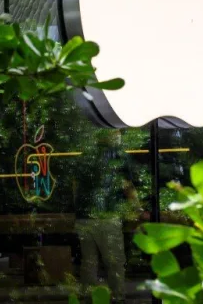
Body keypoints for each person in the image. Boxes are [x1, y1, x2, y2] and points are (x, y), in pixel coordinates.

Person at [72, 129, 142, 302]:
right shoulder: (118, 155)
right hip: (107, 216)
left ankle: (88, 298)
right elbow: (127, 186)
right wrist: (138, 208)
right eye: (117, 131)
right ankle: (117, 298)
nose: (119, 135)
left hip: (84, 217)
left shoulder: (85, 156)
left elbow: (75, 187)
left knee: (89, 263)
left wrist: (79, 209)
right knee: (115, 263)